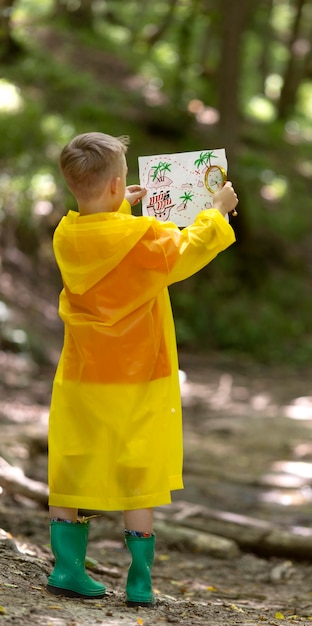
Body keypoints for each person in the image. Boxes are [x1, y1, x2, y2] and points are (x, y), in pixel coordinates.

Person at [47, 131, 238, 607]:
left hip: (82, 375)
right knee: (139, 470)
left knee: (73, 461)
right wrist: (216, 209)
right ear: (116, 186)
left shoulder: (65, 235)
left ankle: (67, 568)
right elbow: (187, 249)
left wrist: (119, 209)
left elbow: (106, 248)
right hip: (140, 375)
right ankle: (140, 581)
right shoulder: (143, 238)